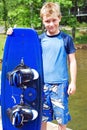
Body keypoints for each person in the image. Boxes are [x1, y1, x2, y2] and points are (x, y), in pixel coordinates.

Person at [7, 2, 77, 130]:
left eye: (54, 20)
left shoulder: (66, 39)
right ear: (43, 21)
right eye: (47, 21)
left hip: (60, 85)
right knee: (42, 117)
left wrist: (73, 82)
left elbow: (72, 61)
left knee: (62, 118)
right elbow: (23, 46)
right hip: (42, 84)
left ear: (59, 18)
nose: (51, 24)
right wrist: (13, 34)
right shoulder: (38, 40)